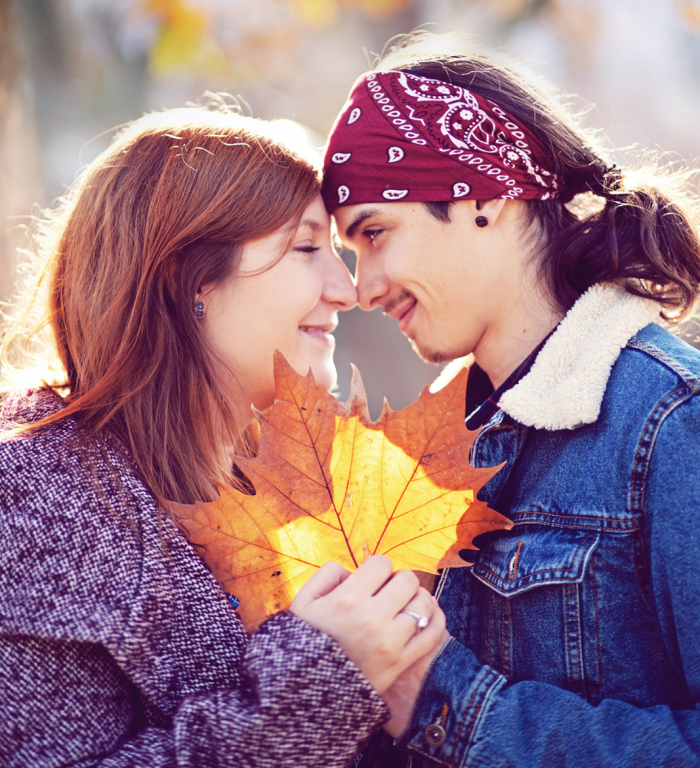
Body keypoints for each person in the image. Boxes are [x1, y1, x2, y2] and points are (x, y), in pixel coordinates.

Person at [0, 105, 445, 768]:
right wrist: (320, 681)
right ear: (190, 280)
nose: (347, 290)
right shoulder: (31, 503)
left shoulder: (304, 484)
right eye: (304, 247)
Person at [323, 33, 700, 768]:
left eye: (375, 233)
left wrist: (444, 703)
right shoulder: (432, 440)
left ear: (485, 197)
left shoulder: (668, 423)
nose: (363, 288)